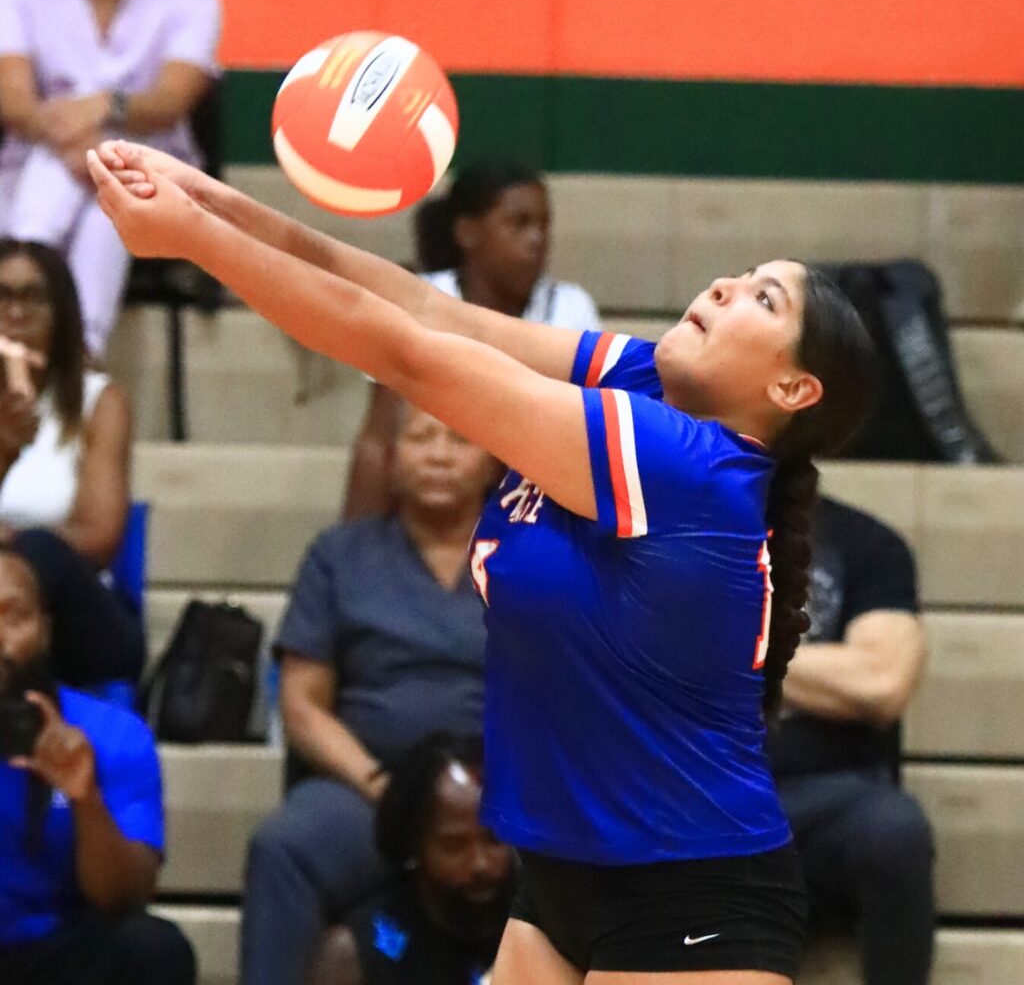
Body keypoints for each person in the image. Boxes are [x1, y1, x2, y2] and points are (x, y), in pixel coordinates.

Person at [89, 140, 878, 985]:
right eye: (742, 274)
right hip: (562, 872)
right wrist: (213, 204)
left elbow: (407, 355)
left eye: (763, 298)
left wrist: (193, 242)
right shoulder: (640, 377)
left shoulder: (688, 465)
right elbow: (431, 313)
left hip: (691, 892)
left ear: (793, 390)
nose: (725, 286)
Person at [242, 405, 499, 985]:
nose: (439, 455)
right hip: (369, 789)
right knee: (283, 847)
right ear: (391, 460)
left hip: (503, 791)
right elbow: (302, 705)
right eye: (421, 437)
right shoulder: (339, 557)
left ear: (491, 461)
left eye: (460, 439)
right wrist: (383, 788)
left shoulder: (531, 554)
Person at [344, 162, 601, 520]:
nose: (537, 239)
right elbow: (379, 439)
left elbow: (588, 442)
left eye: (544, 225)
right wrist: (355, 546)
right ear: (468, 232)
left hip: (539, 507)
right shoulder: (419, 300)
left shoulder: (571, 307)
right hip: (431, 508)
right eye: (520, 224)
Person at [0, 0, 221, 356]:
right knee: (82, 187)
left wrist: (106, 106)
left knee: (111, 203)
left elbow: (171, 101)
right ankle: (82, 358)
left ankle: (26, 315)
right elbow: (14, 101)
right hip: (43, 158)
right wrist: (84, 146)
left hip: (145, 171)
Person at [0, 547, 195, 984]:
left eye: (14, 617)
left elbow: (126, 896)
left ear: (45, 631)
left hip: (53, 955)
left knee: (154, 948)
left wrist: (87, 799)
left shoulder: (111, 733)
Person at [768, 496, 933, 985]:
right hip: (692, 788)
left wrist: (730, 649)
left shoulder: (864, 542)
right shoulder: (668, 531)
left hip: (823, 799)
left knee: (894, 831)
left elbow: (881, 681)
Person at [0, 239, 142, 692]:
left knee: (39, 550)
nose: (15, 312)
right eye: (2, 296)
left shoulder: (99, 402)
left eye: (33, 297)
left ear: (61, 312)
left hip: (76, 617)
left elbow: (99, 537)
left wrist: (10, 541)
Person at [310, 733, 515, 985]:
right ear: (413, 844)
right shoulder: (355, 955)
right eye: (453, 845)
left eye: (494, 839)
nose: (480, 863)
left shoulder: (541, 928)